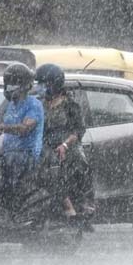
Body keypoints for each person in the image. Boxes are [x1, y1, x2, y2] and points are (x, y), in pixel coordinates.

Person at [34, 63, 93, 218]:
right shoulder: (40, 104)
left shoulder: (70, 104)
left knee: (81, 163)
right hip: (46, 145)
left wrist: (65, 145)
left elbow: (79, 130)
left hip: (68, 144)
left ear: (53, 84)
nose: (40, 87)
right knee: (47, 170)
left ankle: (85, 202)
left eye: (43, 84)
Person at [0, 63, 44, 212]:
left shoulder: (34, 105)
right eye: (8, 85)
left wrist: (2, 127)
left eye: (13, 85)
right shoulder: (10, 104)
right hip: (8, 153)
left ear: (23, 86)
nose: (9, 88)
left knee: (8, 180)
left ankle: (10, 210)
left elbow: (25, 128)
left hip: (26, 154)